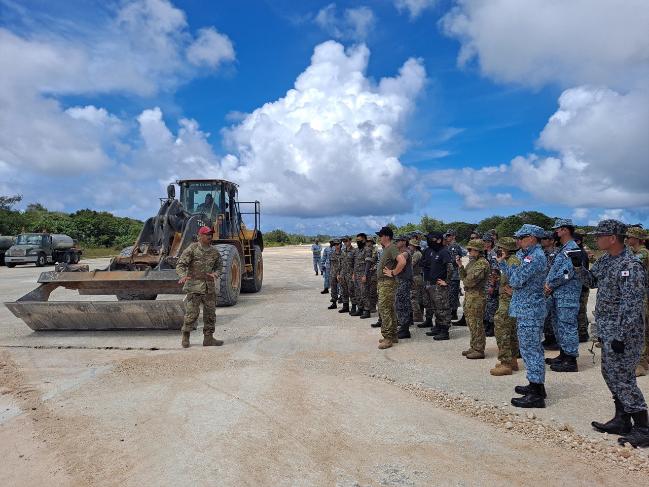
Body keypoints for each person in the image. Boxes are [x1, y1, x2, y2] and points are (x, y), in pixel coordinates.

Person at [574, 220, 648, 448]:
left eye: (600, 235)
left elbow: (632, 305)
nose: (596, 239)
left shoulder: (631, 265)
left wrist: (621, 336)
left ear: (613, 238)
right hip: (608, 330)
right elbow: (593, 282)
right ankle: (622, 419)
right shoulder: (606, 260)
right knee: (610, 373)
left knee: (623, 379)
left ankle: (643, 428)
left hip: (624, 334)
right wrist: (579, 268)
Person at [498, 224, 548, 408]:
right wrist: (504, 263)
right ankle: (535, 385)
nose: (518, 240)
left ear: (533, 238)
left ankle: (536, 394)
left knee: (531, 349)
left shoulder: (535, 257)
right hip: (525, 308)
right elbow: (514, 276)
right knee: (529, 348)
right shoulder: (527, 256)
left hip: (530, 309)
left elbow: (515, 280)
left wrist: (513, 275)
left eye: (522, 237)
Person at [544, 218, 582, 373]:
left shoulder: (572, 248)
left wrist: (550, 285)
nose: (556, 231)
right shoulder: (564, 248)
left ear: (566, 230)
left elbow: (567, 273)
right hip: (558, 294)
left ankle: (571, 359)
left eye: (558, 229)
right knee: (559, 325)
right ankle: (563, 353)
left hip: (567, 295)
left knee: (567, 326)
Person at [176, 226, 224, 348]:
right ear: (200, 236)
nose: (209, 236)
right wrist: (182, 275)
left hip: (209, 288)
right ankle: (185, 336)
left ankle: (208, 339)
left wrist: (216, 274)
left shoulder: (214, 252)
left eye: (211, 234)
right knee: (192, 314)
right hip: (194, 287)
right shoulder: (192, 249)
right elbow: (181, 264)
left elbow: (219, 266)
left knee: (210, 314)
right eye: (207, 234)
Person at [490, 237, 520, 376]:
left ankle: (505, 363)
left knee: (502, 329)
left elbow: (514, 278)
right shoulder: (510, 260)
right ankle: (512, 360)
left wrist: (501, 264)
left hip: (508, 301)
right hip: (506, 299)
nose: (499, 250)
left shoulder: (512, 260)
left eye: (501, 247)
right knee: (511, 331)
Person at [458, 239, 490, 358]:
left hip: (477, 297)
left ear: (477, 250)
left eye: (471, 249)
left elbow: (469, 281)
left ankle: (479, 349)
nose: (469, 251)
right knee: (471, 323)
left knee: (477, 323)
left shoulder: (482, 263)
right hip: (470, 296)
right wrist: (461, 266)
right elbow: (464, 277)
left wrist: (466, 280)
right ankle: (474, 346)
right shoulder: (472, 262)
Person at [625, 227, 649, 377]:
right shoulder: (632, 252)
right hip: (637, 293)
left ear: (637, 238)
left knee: (640, 326)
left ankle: (640, 363)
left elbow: (630, 264)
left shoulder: (643, 253)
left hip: (642, 294)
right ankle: (644, 359)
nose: (627, 238)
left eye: (630, 236)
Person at [421, 231, 453, 341]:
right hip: (433, 284)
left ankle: (445, 331)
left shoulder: (444, 252)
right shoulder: (434, 251)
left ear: (439, 240)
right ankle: (438, 327)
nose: (429, 241)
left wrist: (447, 282)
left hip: (440, 286)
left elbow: (450, 268)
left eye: (431, 239)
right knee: (436, 308)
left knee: (442, 308)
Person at [376, 226, 399, 349]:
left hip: (387, 283)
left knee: (384, 309)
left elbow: (402, 261)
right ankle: (393, 335)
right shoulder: (387, 249)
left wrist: (394, 272)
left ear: (386, 236)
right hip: (384, 283)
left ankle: (388, 338)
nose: (379, 237)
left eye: (380, 235)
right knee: (389, 309)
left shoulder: (392, 248)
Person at [391, 236, 414, 339]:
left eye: (397, 241)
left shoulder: (406, 252)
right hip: (400, 281)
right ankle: (403, 326)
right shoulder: (400, 252)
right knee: (400, 303)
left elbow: (401, 260)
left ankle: (405, 329)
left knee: (402, 304)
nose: (396, 242)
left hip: (404, 281)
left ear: (404, 242)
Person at [541, 231, 560, 351]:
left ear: (552, 240)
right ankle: (548, 338)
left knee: (554, 315)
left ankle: (554, 339)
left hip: (554, 288)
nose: (542, 240)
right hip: (543, 288)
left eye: (545, 238)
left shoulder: (558, 254)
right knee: (545, 316)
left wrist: (551, 285)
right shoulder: (542, 253)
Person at [574, 229, 591, 343]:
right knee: (580, 311)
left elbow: (582, 271)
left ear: (578, 241)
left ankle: (583, 334)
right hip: (580, 287)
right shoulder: (577, 252)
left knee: (580, 311)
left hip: (582, 287)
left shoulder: (581, 253)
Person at [445, 229, 466, 321]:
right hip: (450, 274)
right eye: (447, 235)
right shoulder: (449, 246)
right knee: (451, 294)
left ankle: (453, 313)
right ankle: (452, 312)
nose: (448, 237)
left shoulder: (454, 246)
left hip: (454, 274)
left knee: (453, 294)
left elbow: (453, 260)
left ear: (454, 236)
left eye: (449, 235)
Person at [482, 234, 500, 337]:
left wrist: (492, 285)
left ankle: (491, 327)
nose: (485, 243)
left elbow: (495, 271)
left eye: (487, 242)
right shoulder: (485, 253)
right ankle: (487, 325)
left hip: (492, 283)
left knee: (492, 305)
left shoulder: (493, 254)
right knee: (486, 305)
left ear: (490, 242)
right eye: (483, 241)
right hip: (485, 283)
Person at [360, 235, 377, 319]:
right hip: (367, 272)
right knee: (366, 291)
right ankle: (367, 306)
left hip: (373, 273)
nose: (368, 243)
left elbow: (378, 261)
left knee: (372, 290)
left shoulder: (375, 250)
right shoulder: (364, 250)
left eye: (369, 241)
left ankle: (373, 307)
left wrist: (375, 267)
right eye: (367, 241)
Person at [352, 233, 368, 317]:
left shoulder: (367, 250)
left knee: (364, 293)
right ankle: (360, 308)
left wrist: (365, 275)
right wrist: (354, 273)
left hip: (363, 275)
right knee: (358, 292)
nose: (358, 242)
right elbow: (355, 263)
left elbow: (368, 263)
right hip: (356, 274)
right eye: (357, 240)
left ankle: (367, 310)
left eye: (360, 240)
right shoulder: (356, 250)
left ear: (364, 240)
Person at [408, 238, 424, 323]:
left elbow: (411, 265)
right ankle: (418, 314)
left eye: (410, 245)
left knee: (413, 297)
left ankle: (418, 316)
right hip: (416, 277)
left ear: (414, 246)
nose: (409, 247)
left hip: (416, 277)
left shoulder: (417, 254)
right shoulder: (415, 253)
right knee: (416, 297)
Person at [338, 237, 355, 314]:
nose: (345, 243)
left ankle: (354, 307)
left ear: (350, 241)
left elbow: (356, 264)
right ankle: (345, 306)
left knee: (351, 291)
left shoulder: (354, 251)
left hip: (350, 274)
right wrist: (338, 274)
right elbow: (340, 263)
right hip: (343, 274)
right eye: (343, 241)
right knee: (343, 290)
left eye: (346, 241)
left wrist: (354, 274)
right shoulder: (342, 251)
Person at [328, 239, 342, 309]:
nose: (336, 246)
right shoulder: (332, 253)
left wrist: (339, 273)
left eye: (338, 244)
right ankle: (334, 303)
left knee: (343, 289)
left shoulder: (343, 254)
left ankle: (345, 304)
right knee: (333, 289)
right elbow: (331, 264)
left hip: (341, 274)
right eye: (335, 245)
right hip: (333, 273)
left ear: (340, 245)